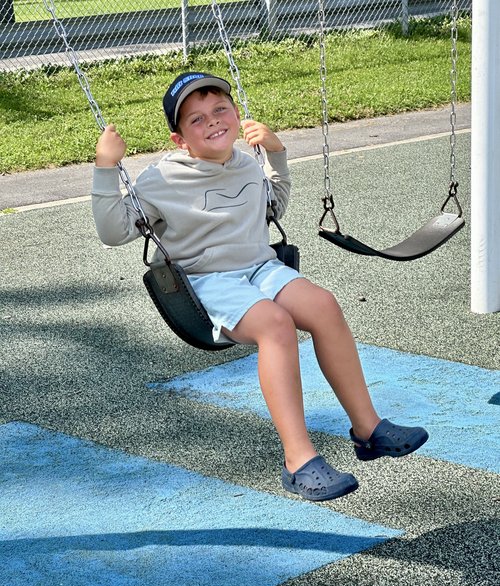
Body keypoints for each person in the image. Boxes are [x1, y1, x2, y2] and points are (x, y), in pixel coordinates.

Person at [91, 71, 429, 502]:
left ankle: (368, 428)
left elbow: (273, 204)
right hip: (204, 280)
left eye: (220, 110)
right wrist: (105, 167)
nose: (213, 122)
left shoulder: (245, 161)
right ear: (179, 140)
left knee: (323, 305)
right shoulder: (160, 179)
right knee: (275, 324)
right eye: (196, 120)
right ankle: (299, 459)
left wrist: (276, 153)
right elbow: (114, 231)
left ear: (235, 114)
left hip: (259, 267)